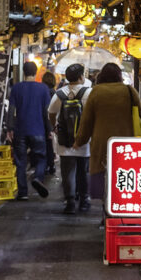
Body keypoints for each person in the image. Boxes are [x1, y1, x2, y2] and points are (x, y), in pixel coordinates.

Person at [74, 61, 141, 203]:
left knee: (104, 177)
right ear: (119, 76)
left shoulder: (96, 92)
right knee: (125, 175)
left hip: (103, 144)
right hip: (126, 143)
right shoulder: (128, 90)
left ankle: (106, 212)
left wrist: (80, 141)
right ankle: (122, 208)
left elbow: (86, 121)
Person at [48, 63, 91, 214]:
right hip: (84, 140)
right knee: (83, 171)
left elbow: (51, 113)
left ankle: (70, 203)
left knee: (67, 172)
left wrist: (55, 127)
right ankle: (84, 201)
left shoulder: (59, 93)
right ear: (81, 77)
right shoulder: (88, 92)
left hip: (65, 141)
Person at [6, 61, 51, 199]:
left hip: (20, 130)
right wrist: (49, 129)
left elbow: (11, 110)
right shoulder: (43, 89)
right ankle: (37, 177)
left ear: (23, 72)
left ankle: (22, 193)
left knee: (21, 161)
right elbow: (46, 112)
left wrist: (10, 128)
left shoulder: (16, 88)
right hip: (38, 130)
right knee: (42, 158)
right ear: (35, 72)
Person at [41, 70, 57, 175]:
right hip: (49, 120)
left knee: (44, 144)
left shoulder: (42, 91)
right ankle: (50, 165)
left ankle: (45, 165)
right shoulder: (53, 92)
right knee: (49, 144)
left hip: (41, 120)